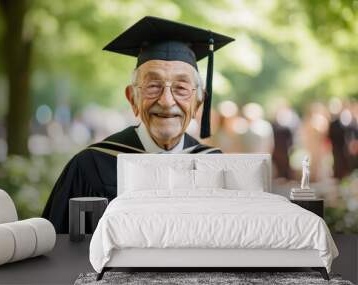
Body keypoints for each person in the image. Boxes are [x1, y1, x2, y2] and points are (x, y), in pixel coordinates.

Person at [42, 16, 234, 233]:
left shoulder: (214, 165)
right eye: (153, 86)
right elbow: (58, 249)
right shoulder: (91, 166)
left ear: (199, 101)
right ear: (132, 98)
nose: (166, 101)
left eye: (180, 88)